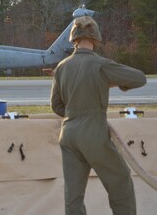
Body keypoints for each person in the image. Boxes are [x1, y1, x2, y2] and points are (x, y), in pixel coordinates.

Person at [50, 16, 147, 215]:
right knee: (120, 182)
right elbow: (140, 78)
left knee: (73, 195)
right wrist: (114, 82)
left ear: (73, 39)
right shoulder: (101, 65)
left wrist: (75, 113)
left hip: (68, 135)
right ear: (96, 38)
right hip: (93, 133)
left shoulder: (61, 67)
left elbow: (56, 106)